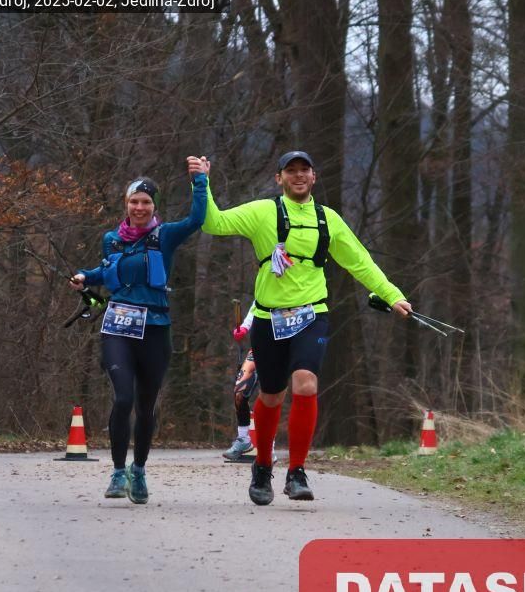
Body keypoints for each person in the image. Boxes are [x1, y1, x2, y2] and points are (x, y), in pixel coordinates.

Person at [201, 150, 412, 505]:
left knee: (306, 383)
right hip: (269, 318)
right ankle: (263, 466)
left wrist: (392, 295)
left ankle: (297, 471)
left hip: (312, 314)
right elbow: (214, 223)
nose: (298, 176)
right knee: (271, 395)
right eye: (291, 171)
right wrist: (201, 183)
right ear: (279, 178)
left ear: (314, 177)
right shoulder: (263, 212)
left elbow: (360, 262)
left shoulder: (328, 220)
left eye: (305, 170)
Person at [72, 158, 208, 504]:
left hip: (156, 330)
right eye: (134, 201)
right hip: (118, 328)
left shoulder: (166, 236)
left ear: (154, 206)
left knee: (146, 406)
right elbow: (107, 271)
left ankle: (139, 470)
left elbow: (197, 219)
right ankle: (118, 472)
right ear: (126, 204)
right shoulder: (111, 240)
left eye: (146, 202)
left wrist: (200, 181)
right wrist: (85, 276)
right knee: (123, 398)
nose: (139, 207)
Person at [222, 302, 277, 462]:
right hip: (258, 349)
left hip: (279, 348)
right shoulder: (264, 290)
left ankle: (269, 447)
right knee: (239, 393)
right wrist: (244, 327)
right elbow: (255, 308)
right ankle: (243, 440)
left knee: (270, 396)